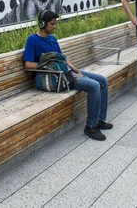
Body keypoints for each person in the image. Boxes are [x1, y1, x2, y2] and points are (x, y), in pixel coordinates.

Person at [24, 10, 113, 141]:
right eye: (52, 24)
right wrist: (47, 64)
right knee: (94, 86)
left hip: (66, 72)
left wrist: (77, 71)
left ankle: (100, 120)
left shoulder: (52, 39)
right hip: (56, 77)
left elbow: (63, 59)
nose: (55, 27)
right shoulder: (32, 40)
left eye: (55, 24)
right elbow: (28, 65)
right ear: (42, 24)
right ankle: (90, 127)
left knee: (102, 80)